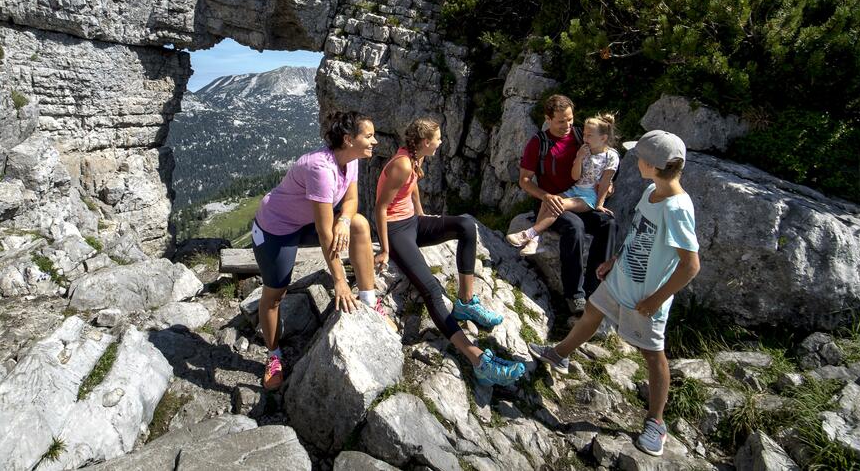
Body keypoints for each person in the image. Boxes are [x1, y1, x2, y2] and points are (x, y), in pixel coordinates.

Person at [528, 130, 700, 457]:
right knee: (593, 310)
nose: (635, 162)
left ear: (652, 164)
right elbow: (637, 235)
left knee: (652, 354)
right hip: (622, 277)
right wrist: (613, 260)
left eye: (639, 158)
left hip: (645, 297)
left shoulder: (677, 208)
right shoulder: (652, 191)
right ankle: (559, 354)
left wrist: (655, 300)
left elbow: (690, 266)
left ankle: (655, 422)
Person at [375, 117, 525, 386]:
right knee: (431, 290)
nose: (441, 142)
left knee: (466, 225)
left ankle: (466, 302)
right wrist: (385, 250)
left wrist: (423, 218)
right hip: (396, 230)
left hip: (412, 223)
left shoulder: (414, 158)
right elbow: (380, 208)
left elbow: (413, 188)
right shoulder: (402, 163)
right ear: (425, 142)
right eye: (438, 138)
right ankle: (479, 361)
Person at [251, 110, 387, 391]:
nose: (375, 141)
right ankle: (273, 355)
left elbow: (351, 201)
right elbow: (326, 235)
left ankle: (369, 300)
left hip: (305, 222)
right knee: (275, 294)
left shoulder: (351, 160)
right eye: (369, 136)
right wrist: (339, 281)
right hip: (276, 227)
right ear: (349, 139)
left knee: (360, 224)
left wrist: (345, 221)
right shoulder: (320, 169)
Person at [516, 95, 619, 315]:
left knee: (608, 223)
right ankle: (575, 296)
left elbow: (602, 161)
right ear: (548, 119)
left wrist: (608, 186)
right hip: (552, 203)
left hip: (583, 199)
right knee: (574, 227)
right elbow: (524, 180)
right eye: (561, 121)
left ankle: (596, 288)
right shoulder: (539, 143)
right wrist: (545, 196)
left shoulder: (582, 135)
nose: (567, 126)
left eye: (570, 119)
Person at [507, 114, 619, 256]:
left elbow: (605, 182)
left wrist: (600, 204)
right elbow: (575, 176)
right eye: (584, 134)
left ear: (603, 138)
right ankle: (535, 240)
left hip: (589, 196)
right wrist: (579, 157)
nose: (585, 138)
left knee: (559, 204)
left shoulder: (611, 156)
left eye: (589, 136)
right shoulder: (585, 151)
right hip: (575, 189)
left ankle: (529, 233)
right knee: (549, 200)